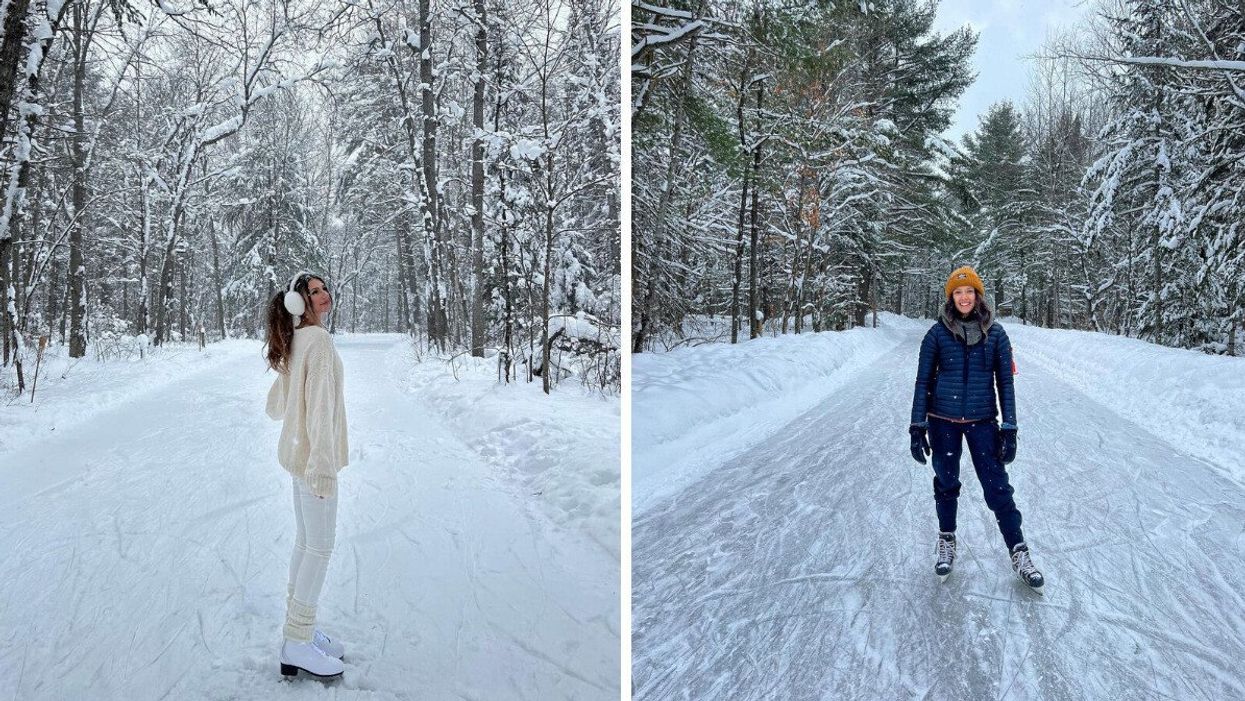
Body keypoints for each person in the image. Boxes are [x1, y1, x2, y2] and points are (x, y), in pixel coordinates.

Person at [908, 266, 1044, 592]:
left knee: (998, 489)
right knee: (946, 483)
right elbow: (923, 382)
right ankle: (946, 539)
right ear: (951, 297)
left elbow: (1005, 383)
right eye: (958, 292)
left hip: (983, 422)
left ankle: (1019, 551)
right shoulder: (936, 334)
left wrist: (1009, 427)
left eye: (969, 292)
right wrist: (917, 426)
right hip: (943, 423)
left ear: (978, 295)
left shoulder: (995, 334)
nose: (964, 297)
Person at [264, 271, 350, 678]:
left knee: (305, 542)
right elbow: (317, 407)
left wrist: (286, 367)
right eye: (312, 292)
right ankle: (297, 640)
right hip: (313, 459)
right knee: (320, 546)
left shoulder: (298, 340)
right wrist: (323, 467)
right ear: (298, 302)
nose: (323, 295)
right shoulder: (316, 341)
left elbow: (277, 406)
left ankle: (300, 629)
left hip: (298, 455)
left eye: (323, 288)